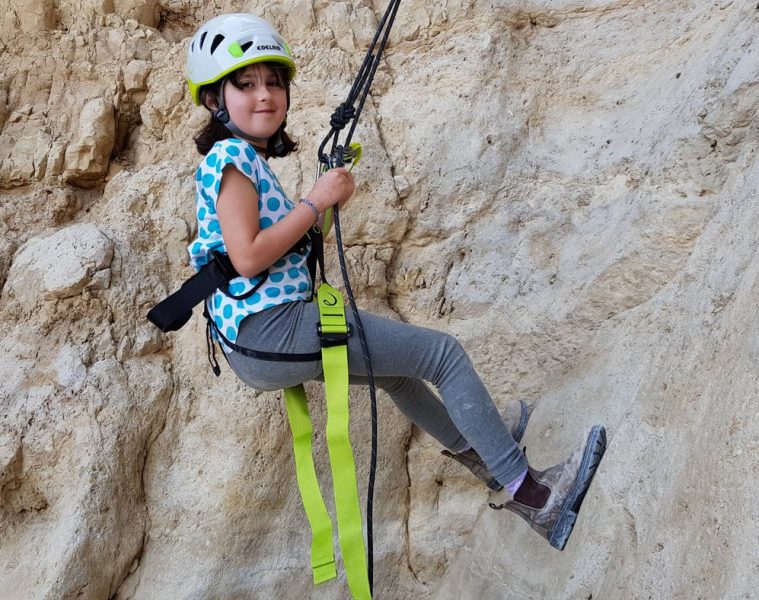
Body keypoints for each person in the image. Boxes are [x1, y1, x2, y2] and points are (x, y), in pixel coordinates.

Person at [184, 12, 606, 551]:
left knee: (400, 376)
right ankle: (536, 496)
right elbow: (247, 258)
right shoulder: (230, 157)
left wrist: (325, 204)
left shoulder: (245, 159)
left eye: (273, 82)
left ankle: (486, 454)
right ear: (213, 100)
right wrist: (315, 201)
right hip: (269, 328)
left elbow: (288, 244)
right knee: (442, 355)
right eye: (245, 85)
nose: (264, 95)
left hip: (258, 335)